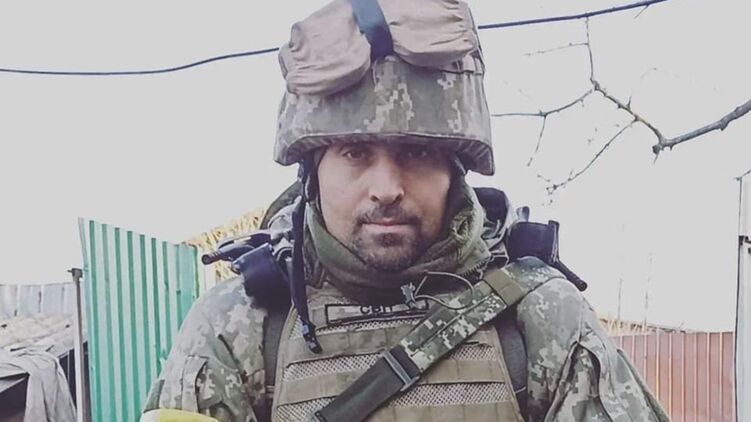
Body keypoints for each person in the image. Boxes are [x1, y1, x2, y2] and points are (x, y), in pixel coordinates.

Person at [142, 1, 669, 421]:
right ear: (313, 170)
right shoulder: (239, 326)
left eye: (416, 153)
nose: (387, 188)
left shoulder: (541, 317)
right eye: (355, 153)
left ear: (455, 168)